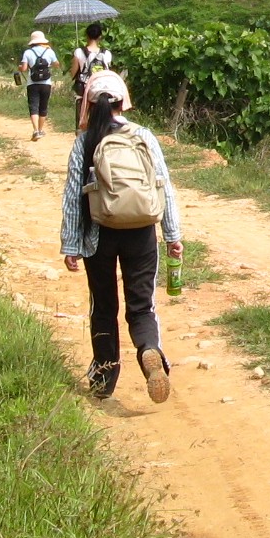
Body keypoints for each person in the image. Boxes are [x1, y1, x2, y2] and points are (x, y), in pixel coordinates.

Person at [61, 69, 183, 405]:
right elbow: (163, 187)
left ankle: (104, 377)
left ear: (88, 104)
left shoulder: (85, 142)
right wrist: (172, 234)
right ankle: (149, 350)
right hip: (141, 231)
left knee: (103, 307)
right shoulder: (143, 135)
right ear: (122, 102)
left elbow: (73, 196)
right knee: (142, 306)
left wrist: (71, 244)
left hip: (97, 234)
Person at [16, 29, 58, 141]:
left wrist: (20, 67)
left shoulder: (28, 52)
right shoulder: (49, 51)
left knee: (33, 106)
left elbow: (24, 68)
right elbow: (57, 64)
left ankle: (35, 131)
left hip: (32, 83)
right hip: (46, 83)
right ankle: (40, 129)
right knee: (43, 106)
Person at [72, 21, 112, 127]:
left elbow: (73, 73)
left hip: (85, 88)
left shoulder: (79, 52)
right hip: (102, 88)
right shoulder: (106, 53)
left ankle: (81, 132)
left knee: (82, 116)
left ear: (86, 36)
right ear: (100, 37)